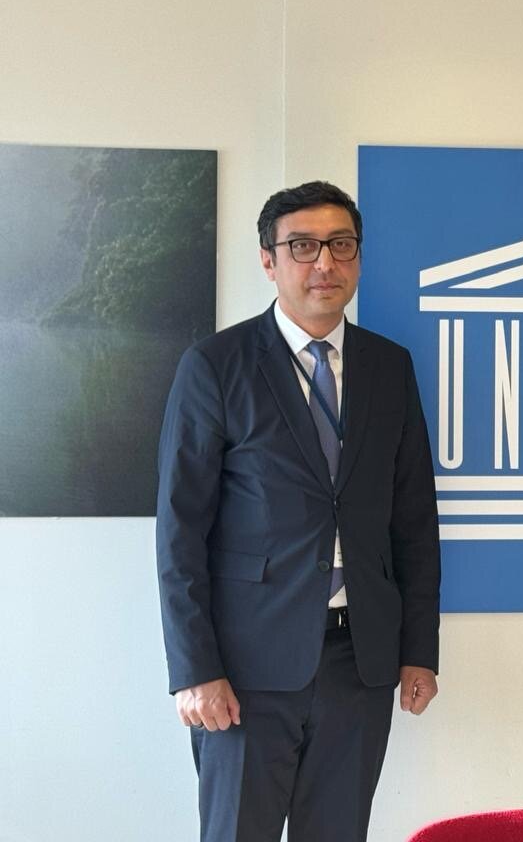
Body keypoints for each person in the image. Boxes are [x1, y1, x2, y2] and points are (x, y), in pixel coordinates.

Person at [156, 181, 441, 842]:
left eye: (341, 245)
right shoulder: (215, 366)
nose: (325, 263)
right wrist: (195, 669)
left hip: (358, 663)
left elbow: (414, 523)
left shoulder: (389, 368)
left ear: (359, 257)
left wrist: (418, 650)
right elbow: (180, 532)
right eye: (303, 246)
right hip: (244, 671)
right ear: (269, 260)